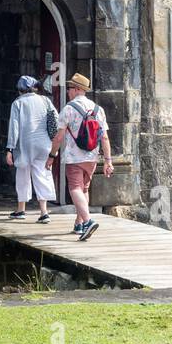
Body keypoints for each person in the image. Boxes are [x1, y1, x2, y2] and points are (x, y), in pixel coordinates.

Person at [47, 72, 113, 240]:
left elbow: (58, 137)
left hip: (73, 157)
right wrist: (108, 161)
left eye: (69, 88)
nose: (68, 91)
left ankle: (89, 221)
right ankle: (79, 224)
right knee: (84, 189)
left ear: (77, 89)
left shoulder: (68, 109)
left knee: (75, 188)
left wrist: (51, 156)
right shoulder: (98, 110)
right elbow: (104, 137)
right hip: (91, 156)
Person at [4, 75, 57, 222]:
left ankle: (21, 209)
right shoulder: (45, 100)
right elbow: (56, 120)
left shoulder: (18, 103)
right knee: (42, 174)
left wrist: (10, 148)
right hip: (44, 143)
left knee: (22, 175)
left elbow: (13, 128)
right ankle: (44, 212)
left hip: (25, 144)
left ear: (20, 90)